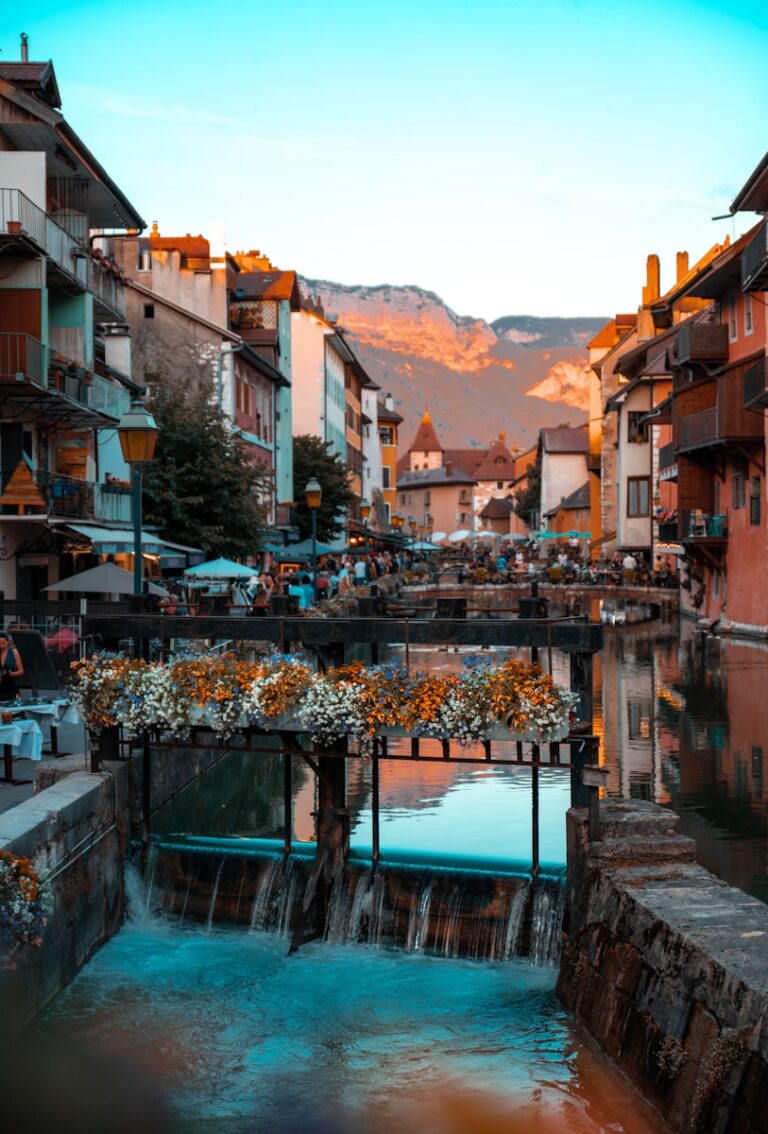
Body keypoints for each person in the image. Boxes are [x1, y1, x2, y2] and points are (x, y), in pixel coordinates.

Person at [0, 631, 24, 702]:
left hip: (11, 686)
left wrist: (12, 674)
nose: (1, 646)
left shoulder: (14, 653)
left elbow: (21, 671)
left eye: (3, 643)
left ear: (8, 642)